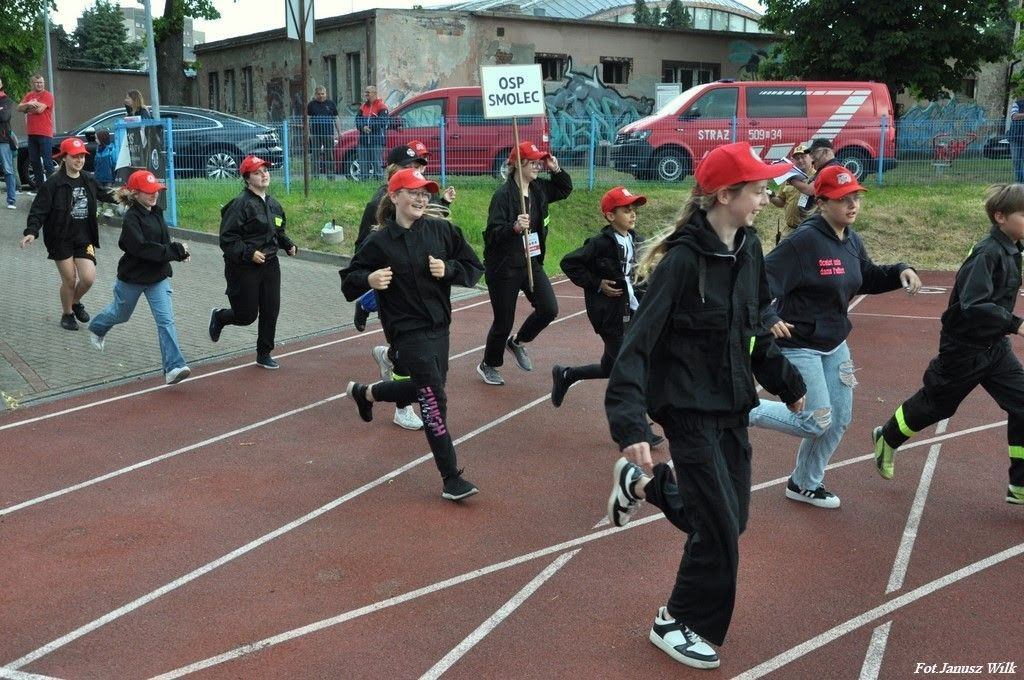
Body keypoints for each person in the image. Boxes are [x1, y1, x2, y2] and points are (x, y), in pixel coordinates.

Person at [604, 142, 807, 670]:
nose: (767, 197)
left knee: (730, 518)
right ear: (724, 195)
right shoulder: (681, 264)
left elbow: (754, 326)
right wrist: (632, 424)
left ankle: (645, 487)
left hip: (732, 405)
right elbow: (636, 348)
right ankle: (676, 620)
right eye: (758, 189)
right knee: (717, 527)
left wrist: (784, 379)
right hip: (687, 408)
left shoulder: (750, 251)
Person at [747, 165, 923, 509]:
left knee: (838, 419)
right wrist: (767, 315)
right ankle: (743, 408)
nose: (852, 204)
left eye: (856, 197)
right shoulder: (804, 241)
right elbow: (759, 279)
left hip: (833, 342)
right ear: (822, 201)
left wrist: (901, 268)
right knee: (816, 420)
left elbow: (866, 277)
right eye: (844, 199)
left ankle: (804, 483)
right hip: (799, 344)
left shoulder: (849, 238)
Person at [872, 183, 1024, 506]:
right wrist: (1016, 324)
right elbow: (973, 304)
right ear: (1000, 217)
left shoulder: (1014, 246)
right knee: (937, 404)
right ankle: (887, 436)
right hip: (964, 349)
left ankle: (1020, 484)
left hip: (994, 348)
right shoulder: (988, 253)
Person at [340, 167, 484, 501]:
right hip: (406, 332)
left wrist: (448, 270)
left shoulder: (441, 231)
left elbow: (474, 267)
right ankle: (451, 478)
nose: (421, 198)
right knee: (435, 401)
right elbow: (350, 278)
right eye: (414, 192)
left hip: (440, 327)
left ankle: (368, 393)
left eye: (425, 193)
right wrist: (369, 280)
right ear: (394, 196)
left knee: (428, 389)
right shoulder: (379, 241)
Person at [350, 140, 455, 432]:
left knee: (413, 357)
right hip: (394, 296)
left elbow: (427, 220)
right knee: (409, 358)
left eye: (421, 165)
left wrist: (442, 205)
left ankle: (386, 359)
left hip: (419, 293)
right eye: (412, 166)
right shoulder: (378, 204)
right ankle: (402, 408)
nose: (419, 170)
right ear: (395, 171)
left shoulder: (415, 196)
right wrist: (375, 274)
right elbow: (362, 253)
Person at [478, 141, 572, 386]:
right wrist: (514, 227)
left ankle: (517, 342)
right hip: (504, 267)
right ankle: (489, 364)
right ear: (518, 165)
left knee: (549, 309)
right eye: (533, 162)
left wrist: (556, 169)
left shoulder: (539, 189)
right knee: (503, 321)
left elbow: (564, 190)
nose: (538, 166)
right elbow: (491, 236)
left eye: (539, 162)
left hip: (532, 260)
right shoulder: (502, 196)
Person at [87, 170, 192, 385]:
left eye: (156, 191)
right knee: (120, 314)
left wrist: (179, 253)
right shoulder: (132, 219)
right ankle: (97, 327)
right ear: (135, 194)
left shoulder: (157, 212)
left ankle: (173, 367)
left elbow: (163, 244)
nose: (154, 195)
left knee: (166, 321)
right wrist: (175, 251)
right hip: (132, 279)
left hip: (158, 278)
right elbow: (143, 248)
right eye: (149, 191)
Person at [208, 155, 297, 369]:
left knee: (270, 309)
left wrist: (288, 244)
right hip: (243, 267)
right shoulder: (240, 205)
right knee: (246, 315)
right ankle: (220, 317)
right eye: (258, 172)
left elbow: (277, 230)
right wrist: (249, 253)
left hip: (270, 264)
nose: (264, 175)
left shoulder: (274, 204)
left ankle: (264, 353)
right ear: (248, 178)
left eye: (266, 171)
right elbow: (227, 239)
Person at [20, 137, 114, 330]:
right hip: (60, 238)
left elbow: (104, 193)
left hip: (84, 236)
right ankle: (67, 314)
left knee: (88, 278)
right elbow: (39, 210)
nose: (79, 160)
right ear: (64, 158)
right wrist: (32, 231)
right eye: (74, 157)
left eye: (81, 156)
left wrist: (127, 195)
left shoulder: (88, 179)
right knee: (70, 280)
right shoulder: (53, 184)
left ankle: (75, 302)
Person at [767, 142, 816, 240]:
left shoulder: (818, 177)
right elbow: (781, 202)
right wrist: (770, 195)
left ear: (812, 158)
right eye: (797, 158)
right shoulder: (790, 177)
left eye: (803, 157)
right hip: (789, 230)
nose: (800, 160)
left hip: (809, 231)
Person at [17, 74, 55, 192]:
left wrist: (27, 109)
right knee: (34, 161)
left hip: (44, 133)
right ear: (32, 83)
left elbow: (39, 110)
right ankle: (39, 187)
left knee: (47, 162)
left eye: (41, 82)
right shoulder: (29, 95)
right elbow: (19, 108)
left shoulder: (48, 95)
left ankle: (52, 188)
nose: (40, 84)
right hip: (32, 134)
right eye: (37, 83)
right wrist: (28, 104)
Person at [355, 85, 388, 180]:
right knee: (363, 161)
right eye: (365, 92)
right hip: (364, 139)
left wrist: (370, 127)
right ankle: (363, 181)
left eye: (368, 92)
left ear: (374, 93)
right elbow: (357, 120)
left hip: (377, 139)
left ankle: (379, 181)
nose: (366, 94)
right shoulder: (363, 106)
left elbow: (383, 121)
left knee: (377, 162)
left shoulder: (382, 106)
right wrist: (363, 127)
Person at [307, 86, 339, 178]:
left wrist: (339, 132)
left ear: (326, 94)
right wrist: (308, 133)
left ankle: (331, 176)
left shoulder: (331, 104)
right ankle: (315, 176)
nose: (321, 96)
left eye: (323, 94)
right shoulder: (311, 105)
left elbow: (336, 118)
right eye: (319, 94)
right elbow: (308, 119)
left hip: (328, 133)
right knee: (315, 155)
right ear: (315, 94)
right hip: (315, 134)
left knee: (329, 155)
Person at [0, 77, 17, 209]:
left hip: (3, 140)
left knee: (7, 169)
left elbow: (4, 116)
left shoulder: (6, 100)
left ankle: (11, 200)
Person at [1008, 97, 1024, 184]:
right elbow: (1014, 116)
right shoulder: (1017, 103)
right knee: (1016, 159)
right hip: (1015, 137)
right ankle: (1020, 181)